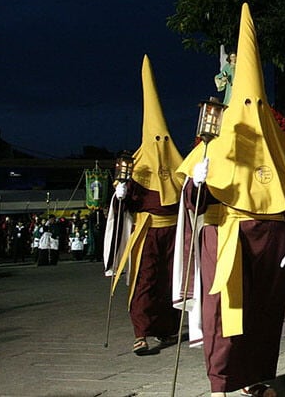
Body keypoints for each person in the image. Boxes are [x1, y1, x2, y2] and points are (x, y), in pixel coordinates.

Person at [174, 3, 285, 397]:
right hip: (226, 235)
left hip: (270, 238)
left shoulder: (276, 139)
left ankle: (256, 378)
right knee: (224, 312)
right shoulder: (217, 137)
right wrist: (197, 181)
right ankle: (222, 383)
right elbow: (192, 200)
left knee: (264, 313)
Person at [105, 56, 184, 356]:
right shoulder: (135, 168)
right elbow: (122, 204)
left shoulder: (178, 165)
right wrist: (121, 194)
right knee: (145, 279)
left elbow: (187, 195)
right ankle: (141, 331)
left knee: (169, 281)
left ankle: (166, 328)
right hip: (148, 232)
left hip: (173, 232)